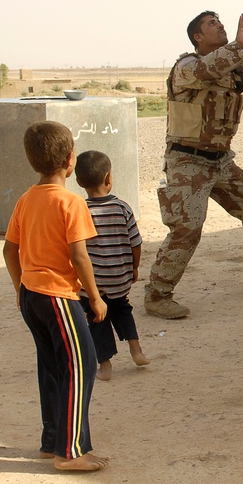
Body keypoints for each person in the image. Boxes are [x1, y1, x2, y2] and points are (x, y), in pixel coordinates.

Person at [145, 11, 243, 319]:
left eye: (220, 21)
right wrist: (237, 46)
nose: (220, 25)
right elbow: (206, 69)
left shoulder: (234, 72)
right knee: (187, 227)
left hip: (220, 162)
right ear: (198, 37)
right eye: (211, 23)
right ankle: (157, 294)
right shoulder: (186, 68)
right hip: (186, 160)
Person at [1, 121, 110, 472]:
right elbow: (79, 256)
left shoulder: (25, 199)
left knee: (52, 369)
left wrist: (21, 288)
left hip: (31, 296)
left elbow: (9, 250)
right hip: (60, 297)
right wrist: (94, 297)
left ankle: (52, 442)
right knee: (80, 368)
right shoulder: (70, 202)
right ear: (69, 159)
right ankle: (71, 451)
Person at [75, 150, 149, 381]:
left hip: (93, 283)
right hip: (119, 277)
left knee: (97, 318)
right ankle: (136, 350)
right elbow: (135, 243)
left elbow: (75, 250)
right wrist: (133, 267)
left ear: (78, 182)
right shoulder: (123, 208)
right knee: (123, 309)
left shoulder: (80, 211)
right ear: (109, 178)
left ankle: (105, 365)